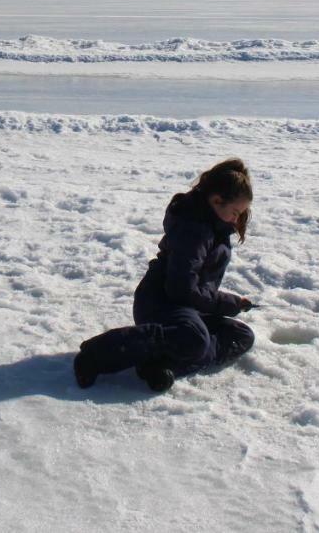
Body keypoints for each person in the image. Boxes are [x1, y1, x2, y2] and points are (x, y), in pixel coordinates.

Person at [73, 158, 256, 392]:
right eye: (235, 212)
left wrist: (232, 302)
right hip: (160, 304)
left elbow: (197, 286)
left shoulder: (214, 228)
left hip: (188, 308)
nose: (237, 220)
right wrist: (224, 304)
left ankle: (159, 365)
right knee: (196, 339)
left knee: (239, 335)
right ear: (217, 200)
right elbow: (181, 288)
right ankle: (97, 354)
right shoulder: (194, 230)